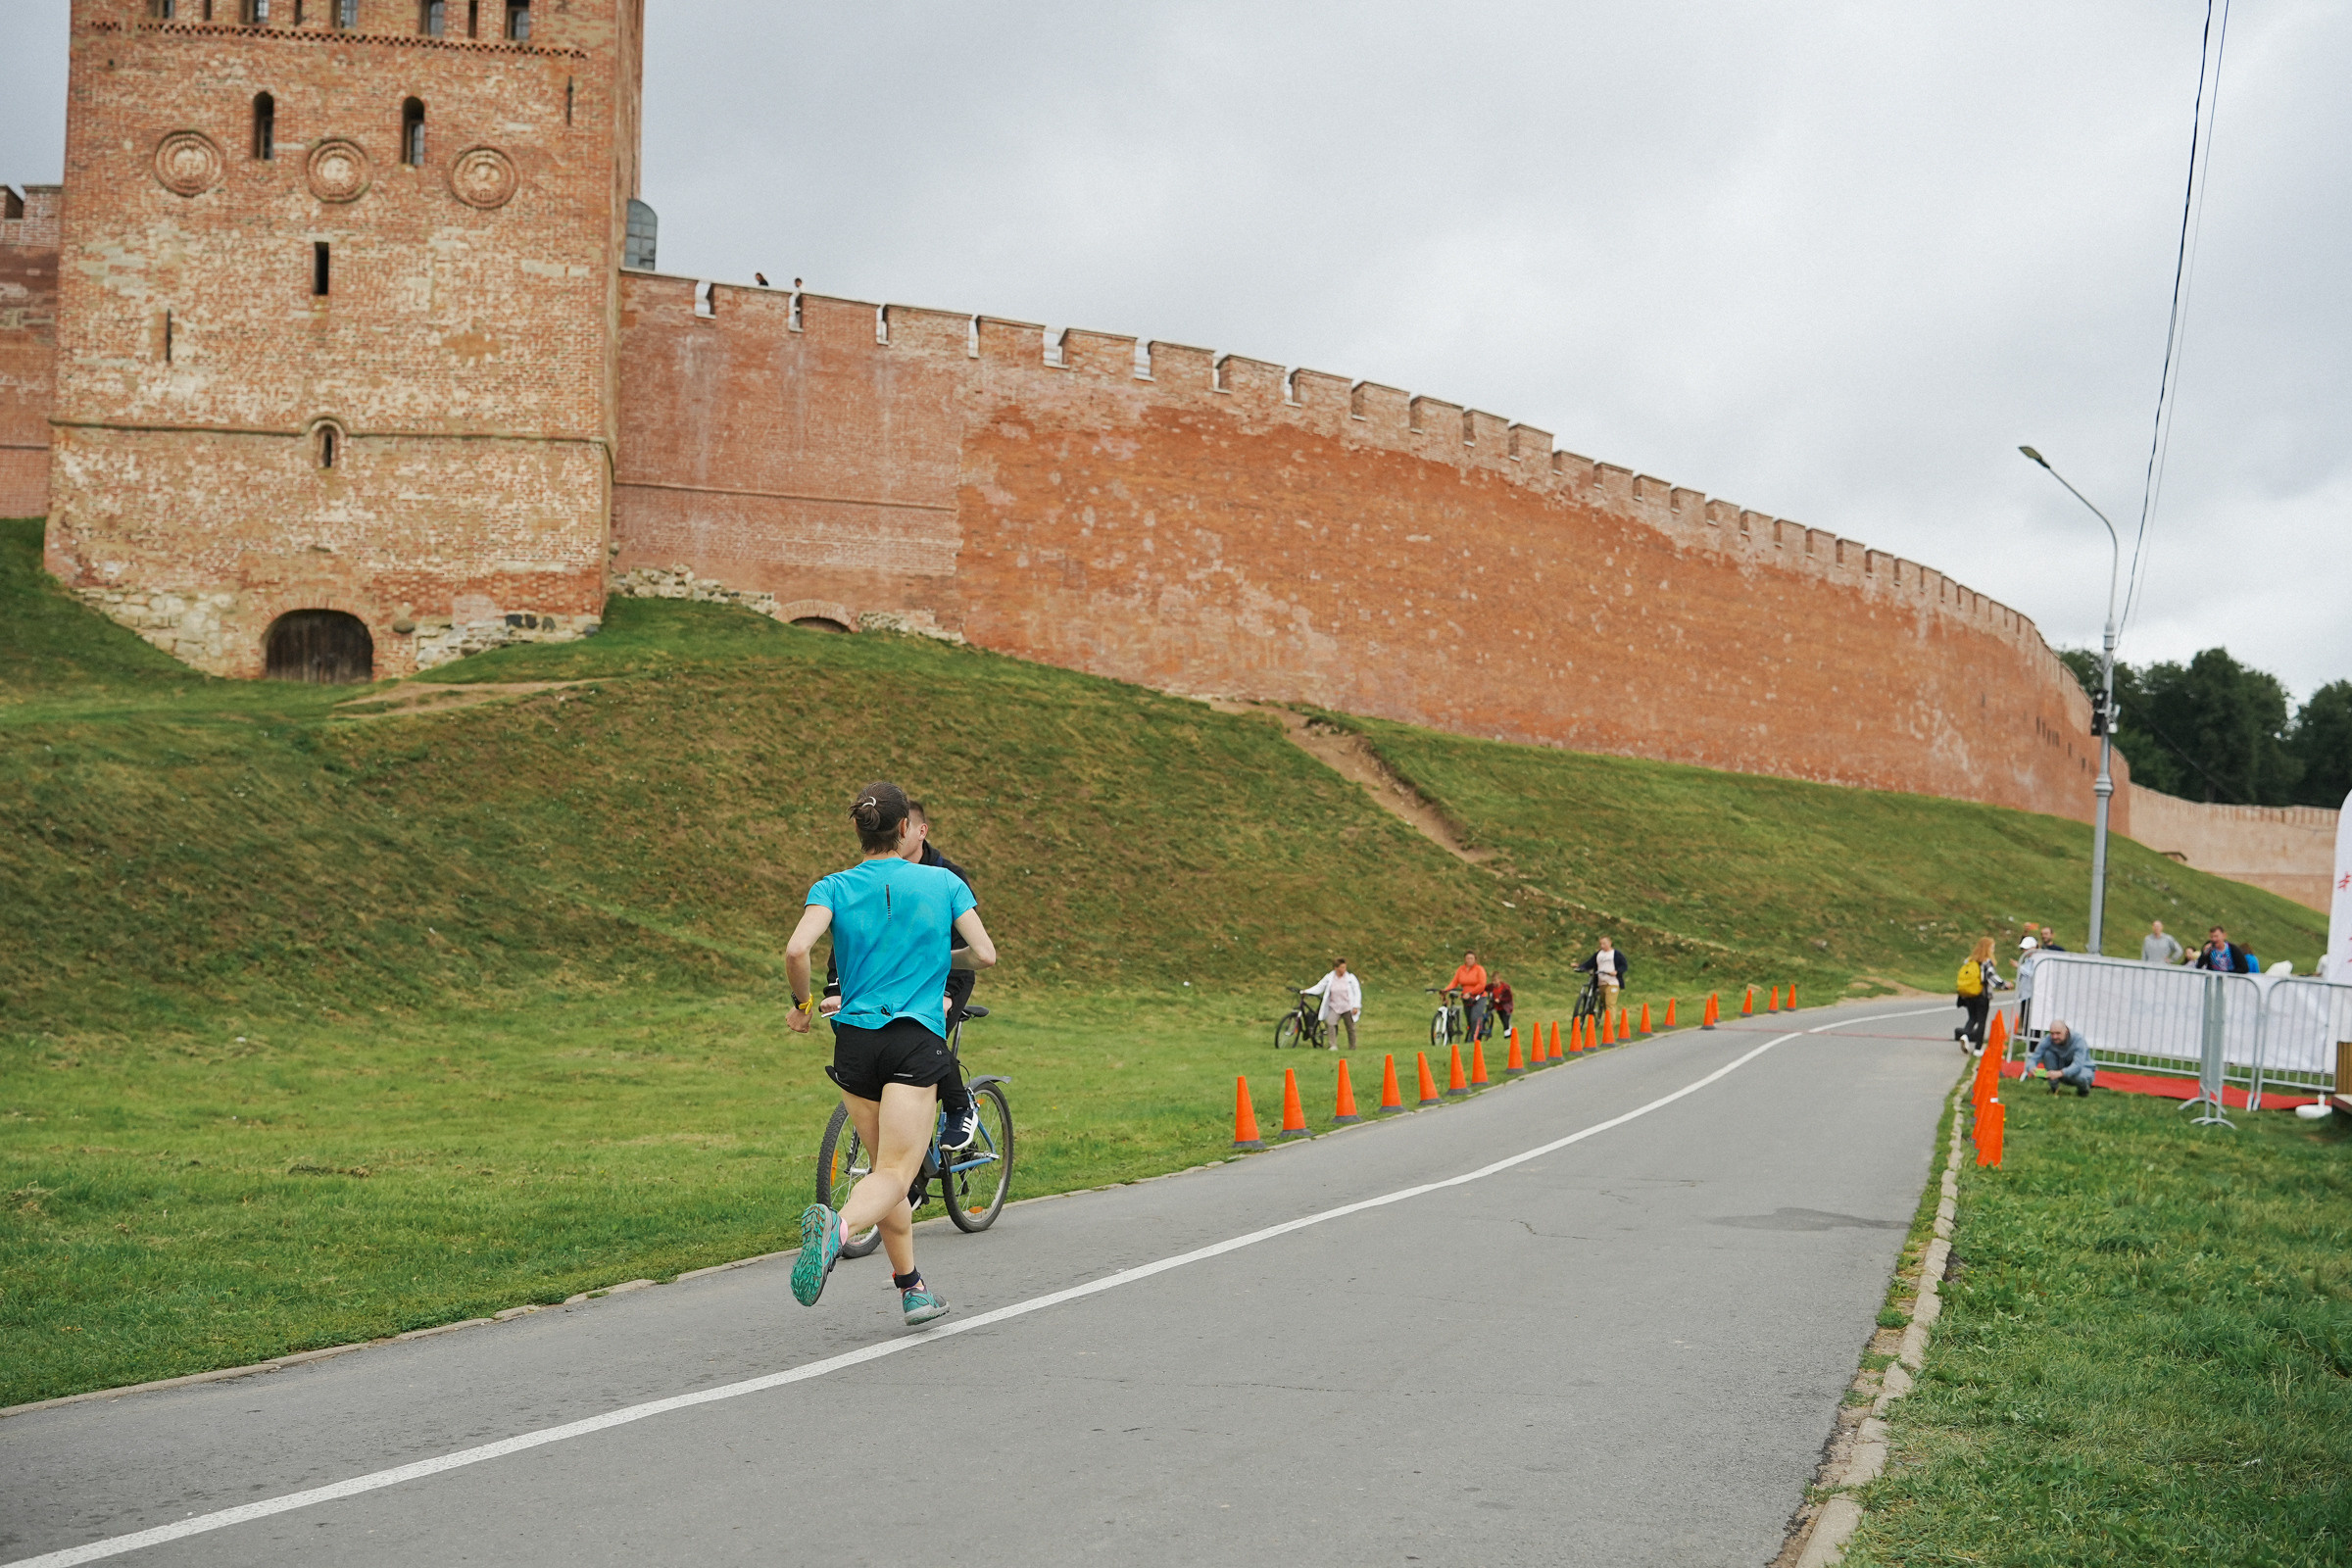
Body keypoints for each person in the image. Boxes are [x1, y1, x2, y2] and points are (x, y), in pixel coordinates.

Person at [786, 781, 998, 1328]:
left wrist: (803, 1005)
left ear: (858, 830)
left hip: (855, 1039)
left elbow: (796, 949)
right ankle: (837, 1228)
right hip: (912, 1036)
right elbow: (985, 955)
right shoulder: (944, 882)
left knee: (885, 1172)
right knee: (897, 1174)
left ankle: (912, 1289)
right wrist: (935, 956)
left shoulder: (831, 885)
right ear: (906, 828)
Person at [821, 799, 984, 1149]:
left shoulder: (946, 877)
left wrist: (946, 991)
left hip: (942, 977)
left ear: (917, 831)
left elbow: (965, 942)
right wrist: (833, 987)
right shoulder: (865, 878)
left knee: (922, 1037)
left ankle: (960, 1105)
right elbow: (851, 937)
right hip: (882, 986)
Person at [1953, 937, 2005, 1054]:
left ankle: (1965, 1035)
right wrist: (2004, 985)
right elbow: (1991, 977)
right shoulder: (1986, 961)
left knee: (1972, 1018)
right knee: (1982, 1021)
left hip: (1969, 995)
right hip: (1982, 995)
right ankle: (1978, 1048)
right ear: (1988, 948)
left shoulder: (1969, 960)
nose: (1993, 950)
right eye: (1992, 947)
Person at [1301, 958, 1362, 1050]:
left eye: (1345, 967)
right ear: (1336, 968)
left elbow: (1357, 992)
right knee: (1330, 1023)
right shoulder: (1329, 977)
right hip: (1335, 1007)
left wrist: (1356, 1006)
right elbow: (1319, 987)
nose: (1344, 969)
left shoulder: (1350, 978)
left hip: (1347, 1007)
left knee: (1350, 1028)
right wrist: (1307, 991)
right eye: (1342, 967)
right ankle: (1332, 1045)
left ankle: (1352, 1047)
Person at [2031, 1020, 2096, 1097]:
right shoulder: (2047, 1039)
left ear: (2066, 1031)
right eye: (2052, 1033)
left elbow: (2078, 1065)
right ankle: (2054, 1089)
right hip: (2061, 1071)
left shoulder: (2078, 1040)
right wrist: (2031, 1068)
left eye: (2058, 1033)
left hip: (2082, 1070)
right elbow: (2034, 1057)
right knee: (2048, 1054)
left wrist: (2059, 1073)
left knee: (2081, 1077)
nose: (2054, 1037)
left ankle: (2084, 1092)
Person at [1578, 937, 1629, 1017]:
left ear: (1610, 943)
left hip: (1612, 982)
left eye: (1604, 943)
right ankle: (1607, 1022)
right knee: (1604, 1004)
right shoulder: (1598, 954)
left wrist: (1617, 972)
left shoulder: (1616, 954)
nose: (1602, 946)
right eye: (1601, 944)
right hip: (1601, 983)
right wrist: (1581, 967)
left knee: (1610, 1003)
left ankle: (1610, 1026)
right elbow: (1589, 963)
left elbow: (1624, 965)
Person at [1448, 951, 1490, 1041]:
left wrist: (1470, 993)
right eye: (1467, 958)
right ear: (1465, 959)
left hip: (1479, 997)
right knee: (1469, 1020)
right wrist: (1446, 990)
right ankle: (1474, 1033)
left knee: (1475, 1017)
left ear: (1475, 959)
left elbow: (1482, 985)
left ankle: (1474, 1041)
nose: (1469, 960)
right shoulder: (1461, 969)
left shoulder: (1479, 969)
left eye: (1471, 958)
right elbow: (1454, 982)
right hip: (1466, 998)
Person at [1487, 973, 1514, 1042]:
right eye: (1493, 981)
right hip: (1498, 1007)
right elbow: (1484, 988)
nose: (1494, 982)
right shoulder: (1491, 987)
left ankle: (1507, 1036)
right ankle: (1510, 1032)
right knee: (1502, 1020)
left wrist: (1500, 1000)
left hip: (1506, 1007)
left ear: (1500, 980)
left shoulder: (1505, 988)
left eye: (1496, 980)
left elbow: (1509, 998)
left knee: (1505, 1021)